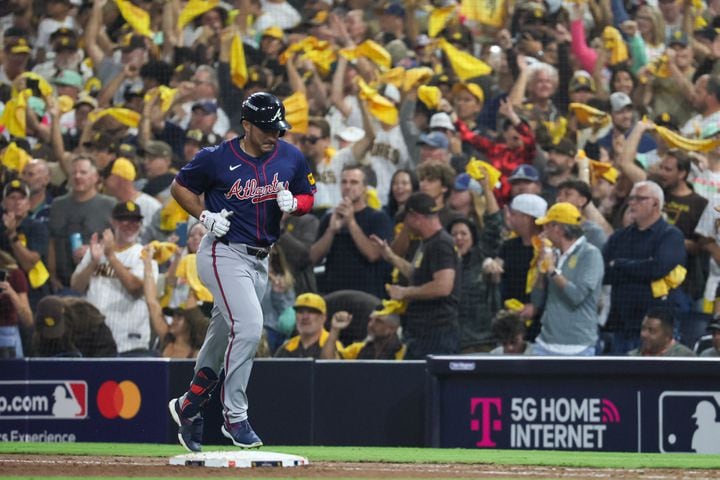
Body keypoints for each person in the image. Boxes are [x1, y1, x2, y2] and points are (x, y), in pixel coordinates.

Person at [168, 92, 315, 452]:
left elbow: (309, 194)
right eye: (265, 128)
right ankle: (235, 415)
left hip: (261, 259)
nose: (272, 135)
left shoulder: (290, 155)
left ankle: (189, 406)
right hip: (223, 252)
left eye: (277, 128)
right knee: (249, 326)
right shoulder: (217, 157)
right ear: (246, 125)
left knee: (221, 336)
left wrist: (295, 204)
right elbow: (179, 186)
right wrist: (204, 216)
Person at [372, 192, 461, 358]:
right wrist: (391, 257)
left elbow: (443, 286)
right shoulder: (428, 242)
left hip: (436, 333)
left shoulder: (440, 243)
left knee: (429, 382)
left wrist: (405, 292)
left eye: (406, 218)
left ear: (415, 217)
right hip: (422, 331)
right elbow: (417, 274)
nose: (405, 223)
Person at [603, 181, 687, 354]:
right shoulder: (620, 236)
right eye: (631, 198)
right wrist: (642, 268)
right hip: (622, 322)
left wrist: (619, 264)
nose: (631, 203)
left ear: (655, 203)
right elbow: (605, 273)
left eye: (639, 199)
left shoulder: (671, 236)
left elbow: (658, 269)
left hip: (657, 326)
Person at [70, 201, 157, 356]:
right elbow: (76, 286)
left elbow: (136, 289)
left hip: (129, 341)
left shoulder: (144, 254)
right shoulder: (96, 251)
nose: (131, 225)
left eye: (135, 220)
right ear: (113, 222)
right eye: (125, 220)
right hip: (93, 339)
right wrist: (93, 263)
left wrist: (111, 257)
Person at [310, 165, 393, 299]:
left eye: (354, 182)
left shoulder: (378, 218)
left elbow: (373, 255)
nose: (348, 186)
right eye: (344, 182)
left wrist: (351, 222)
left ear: (365, 187)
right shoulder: (329, 218)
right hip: (333, 294)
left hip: (368, 295)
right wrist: (331, 231)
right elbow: (313, 258)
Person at [531, 203, 604, 356]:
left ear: (557, 228)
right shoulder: (553, 254)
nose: (543, 232)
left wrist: (552, 270)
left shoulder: (590, 255)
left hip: (578, 346)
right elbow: (536, 300)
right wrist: (541, 268)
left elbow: (577, 296)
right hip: (545, 343)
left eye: (546, 227)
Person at [321, 305, 406, 360]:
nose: (371, 325)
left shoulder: (404, 353)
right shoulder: (358, 349)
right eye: (370, 320)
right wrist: (335, 329)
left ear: (393, 328)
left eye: (378, 321)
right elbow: (328, 362)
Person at [274, 293, 341, 358]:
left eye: (311, 312)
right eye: (300, 312)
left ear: (323, 317)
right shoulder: (287, 348)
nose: (305, 317)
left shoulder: (333, 346)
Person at [628, 309, 696, 356]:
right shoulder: (632, 357)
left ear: (668, 335)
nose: (643, 334)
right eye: (643, 329)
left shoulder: (684, 357)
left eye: (651, 331)